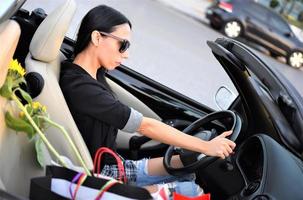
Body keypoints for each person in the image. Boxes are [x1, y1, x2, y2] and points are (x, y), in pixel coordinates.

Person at [60, 5, 236, 198]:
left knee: (186, 168)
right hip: (103, 176)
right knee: (192, 191)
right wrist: (204, 146)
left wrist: (198, 151)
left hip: (116, 164)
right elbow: (145, 126)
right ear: (96, 37)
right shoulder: (81, 88)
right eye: (123, 45)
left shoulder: (93, 75)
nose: (126, 54)